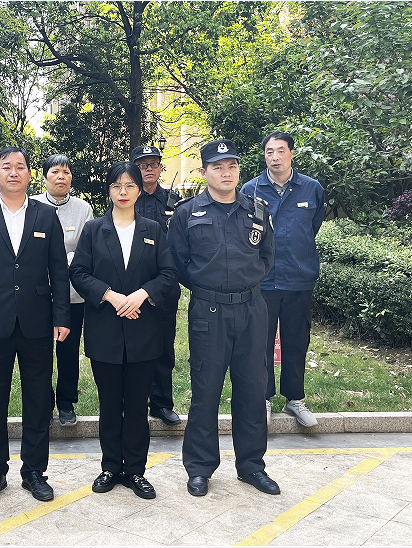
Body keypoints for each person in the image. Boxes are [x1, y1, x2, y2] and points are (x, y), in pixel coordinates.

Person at [168, 139, 281, 497]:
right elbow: (179, 263)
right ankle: (200, 468)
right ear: (204, 172)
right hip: (209, 311)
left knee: (252, 389)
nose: (226, 172)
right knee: (206, 391)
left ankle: (251, 466)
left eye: (232, 166)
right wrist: (210, 289)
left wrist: (243, 286)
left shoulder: (257, 210)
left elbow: (267, 257)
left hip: (251, 310)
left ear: (238, 170)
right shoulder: (187, 213)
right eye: (218, 167)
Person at [0, 146, 71, 503]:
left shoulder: (45, 215)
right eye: (6, 167)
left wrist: (62, 316)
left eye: (20, 167)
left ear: (29, 174)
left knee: (38, 398)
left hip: (37, 321)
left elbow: (59, 270)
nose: (13, 172)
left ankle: (34, 471)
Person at [69, 162, 177, 499]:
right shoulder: (93, 230)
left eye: (130, 185)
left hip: (144, 328)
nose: (123, 192)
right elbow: (79, 272)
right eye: (117, 186)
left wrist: (142, 295)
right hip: (106, 328)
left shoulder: (153, 229)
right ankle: (110, 467)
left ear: (139, 190)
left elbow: (168, 273)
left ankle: (135, 471)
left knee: (137, 404)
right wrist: (111, 296)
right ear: (109, 191)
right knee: (110, 403)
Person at [242, 132, 325, 428]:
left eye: (280, 151)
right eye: (269, 152)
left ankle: (295, 399)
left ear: (291, 153)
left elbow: (312, 226)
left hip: (299, 278)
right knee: (260, 342)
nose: (274, 157)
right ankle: (263, 397)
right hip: (263, 280)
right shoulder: (251, 189)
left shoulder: (311, 188)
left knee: (296, 341)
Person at [32, 154, 94, 425]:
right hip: (39, 294)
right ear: (44, 177)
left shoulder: (83, 209)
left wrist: (64, 259)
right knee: (40, 352)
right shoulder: (32, 205)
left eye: (66, 172)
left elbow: (88, 248)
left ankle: (66, 402)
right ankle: (43, 403)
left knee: (68, 351)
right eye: (55, 172)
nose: (61, 177)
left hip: (73, 293)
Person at [130, 145, 182, 427]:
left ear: (161, 168)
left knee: (163, 347)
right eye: (142, 165)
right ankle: (133, 403)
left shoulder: (174, 201)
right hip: (132, 287)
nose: (148, 169)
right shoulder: (127, 199)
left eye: (153, 164)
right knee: (134, 347)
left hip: (164, 286)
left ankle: (161, 403)